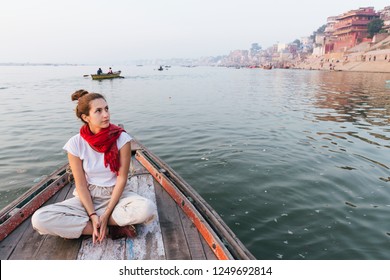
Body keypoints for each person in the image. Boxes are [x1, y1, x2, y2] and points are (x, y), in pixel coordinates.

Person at [32, 89, 156, 243]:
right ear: (86, 117)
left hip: (118, 194)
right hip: (89, 197)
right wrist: (92, 214)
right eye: (98, 111)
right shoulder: (75, 144)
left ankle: (101, 221)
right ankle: (111, 229)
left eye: (106, 109)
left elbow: (122, 178)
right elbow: (81, 184)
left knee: (147, 209)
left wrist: (105, 214)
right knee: (40, 219)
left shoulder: (122, 138)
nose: (106, 114)